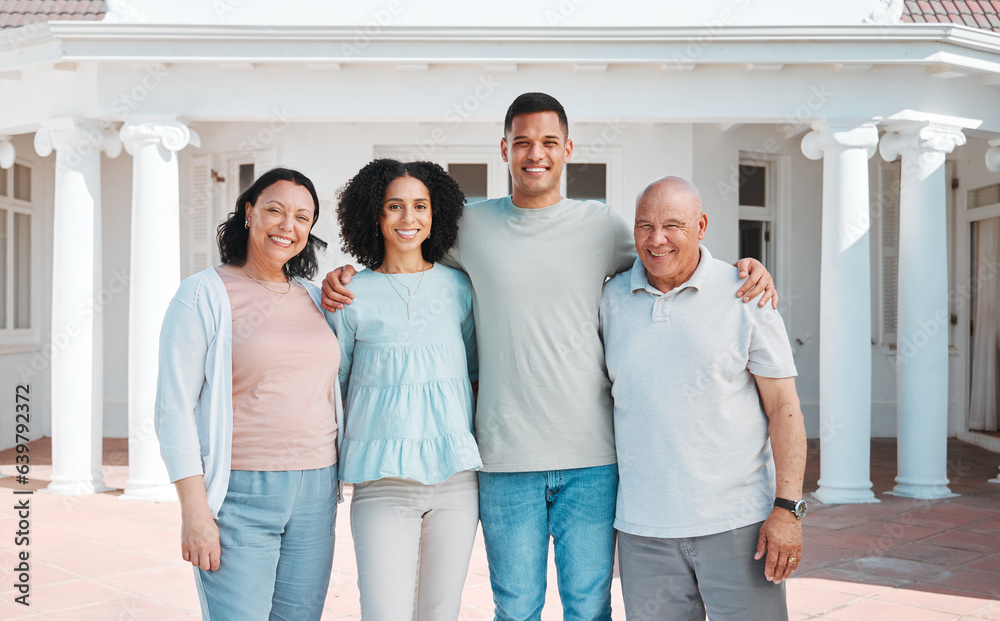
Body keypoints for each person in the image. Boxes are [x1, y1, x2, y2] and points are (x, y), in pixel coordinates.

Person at [323, 93, 777, 621]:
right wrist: (347, 273)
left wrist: (741, 269)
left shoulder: (602, 225)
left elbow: (670, 257)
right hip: (503, 459)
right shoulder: (468, 227)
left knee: (589, 608)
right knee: (516, 609)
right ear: (504, 150)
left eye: (547, 142)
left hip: (592, 461)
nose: (534, 153)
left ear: (567, 151)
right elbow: (406, 255)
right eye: (522, 142)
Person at [600, 176, 807, 621]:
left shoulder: (747, 293)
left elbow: (784, 408)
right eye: (644, 226)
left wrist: (788, 510)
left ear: (702, 224)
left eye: (673, 225)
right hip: (643, 531)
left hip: (739, 526)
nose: (657, 240)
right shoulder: (609, 299)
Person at [155, 167, 342, 621]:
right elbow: (173, 408)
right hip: (240, 492)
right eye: (274, 211)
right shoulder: (203, 294)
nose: (287, 225)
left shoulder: (318, 299)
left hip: (317, 489)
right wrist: (195, 514)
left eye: (302, 217)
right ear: (248, 213)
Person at [332, 159, 480, 620]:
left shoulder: (459, 287)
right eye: (394, 207)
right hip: (382, 483)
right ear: (374, 216)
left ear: (436, 215)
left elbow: (475, 372)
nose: (407, 218)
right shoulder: (351, 295)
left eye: (420, 206)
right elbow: (335, 386)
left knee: (441, 613)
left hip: (456, 482)